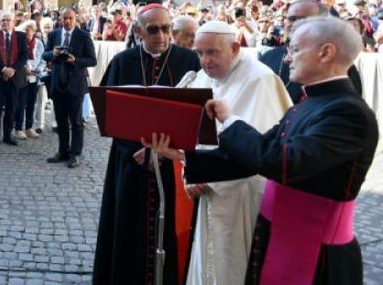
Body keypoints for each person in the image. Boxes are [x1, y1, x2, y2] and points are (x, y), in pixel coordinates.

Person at [146, 16, 378, 285]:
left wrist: (230, 121)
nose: (288, 59)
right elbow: (254, 156)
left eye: (295, 50)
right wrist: (182, 156)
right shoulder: (307, 104)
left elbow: (280, 163)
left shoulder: (348, 113)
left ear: (326, 52)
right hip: (280, 235)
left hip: (317, 249)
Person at [93, 3, 201, 285]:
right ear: (139, 31)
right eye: (153, 30)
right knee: (129, 228)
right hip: (132, 162)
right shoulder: (122, 61)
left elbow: (198, 115)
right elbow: (110, 115)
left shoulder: (189, 61)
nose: (162, 36)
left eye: (167, 29)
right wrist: (137, 149)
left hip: (172, 164)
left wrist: (162, 150)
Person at [182, 21, 292, 285]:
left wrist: (204, 176)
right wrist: (192, 169)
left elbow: (256, 153)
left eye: (212, 52)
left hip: (243, 195)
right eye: (200, 53)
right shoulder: (204, 75)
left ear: (233, 47)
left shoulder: (260, 79)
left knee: (232, 266)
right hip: (210, 188)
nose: (205, 61)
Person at [260, 0, 362, 104]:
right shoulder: (268, 58)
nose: (295, 24)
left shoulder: (338, 63)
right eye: (291, 19)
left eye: (304, 19)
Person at [42, 8, 97, 168]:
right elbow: (44, 55)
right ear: (60, 19)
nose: (67, 21)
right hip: (58, 84)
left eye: (70, 18)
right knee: (61, 121)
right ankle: (63, 151)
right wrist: (52, 53)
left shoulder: (84, 36)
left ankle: (75, 154)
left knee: (76, 121)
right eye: (64, 18)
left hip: (75, 85)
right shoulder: (54, 35)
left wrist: (76, 61)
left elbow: (92, 60)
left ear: (75, 18)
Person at [0, 11, 28, 147]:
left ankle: (8, 134)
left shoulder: (21, 36)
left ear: (14, 22)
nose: (5, 23)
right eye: (3, 20)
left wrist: (12, 70)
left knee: (11, 107)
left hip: (14, 78)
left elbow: (23, 56)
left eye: (8, 20)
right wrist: (4, 69)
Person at [15, 20, 44, 139]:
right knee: (21, 104)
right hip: (22, 77)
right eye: (24, 30)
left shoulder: (39, 43)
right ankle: (18, 128)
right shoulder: (19, 43)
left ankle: (28, 127)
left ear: (34, 31)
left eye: (29, 30)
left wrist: (39, 69)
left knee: (31, 103)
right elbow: (17, 58)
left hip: (34, 77)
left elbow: (43, 59)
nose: (26, 33)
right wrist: (24, 68)